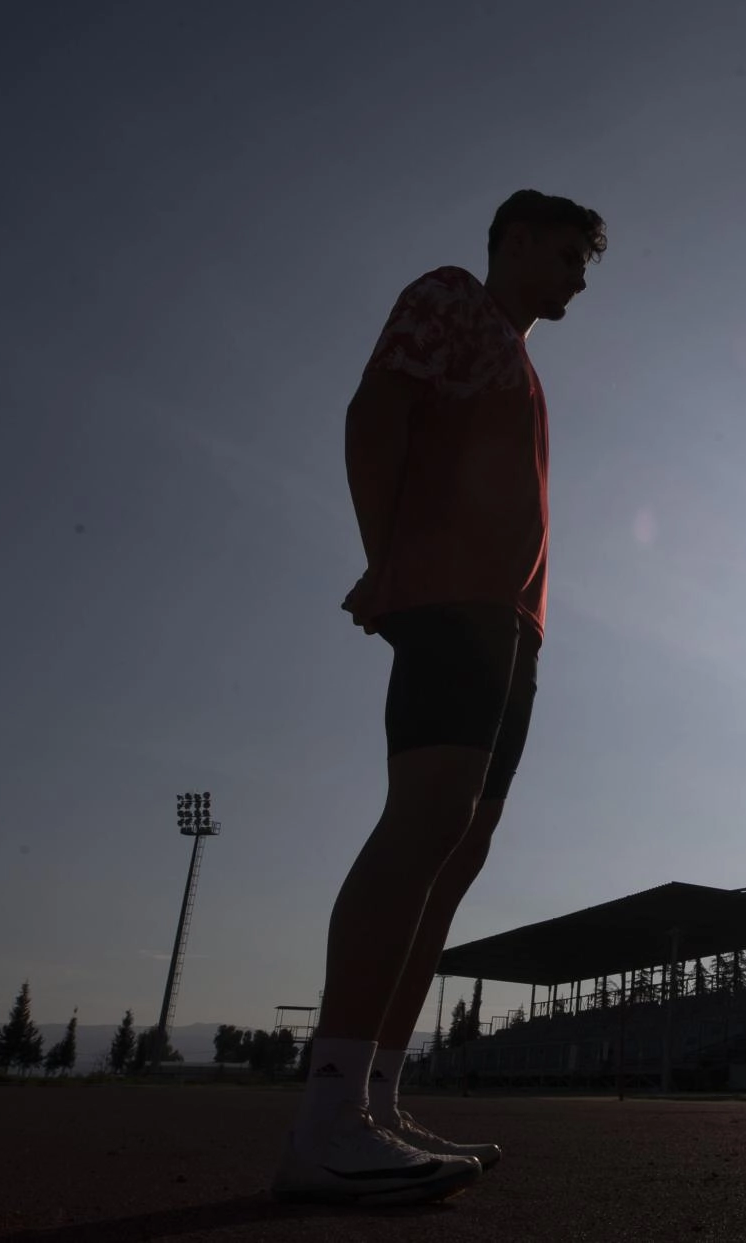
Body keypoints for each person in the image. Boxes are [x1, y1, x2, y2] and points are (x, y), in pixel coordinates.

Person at [273, 190, 605, 1205]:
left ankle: (376, 1097)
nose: (578, 278)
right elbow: (374, 411)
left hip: (513, 617)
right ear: (513, 238)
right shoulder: (452, 296)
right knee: (422, 824)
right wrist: (386, 556)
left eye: (585, 264)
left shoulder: (523, 362)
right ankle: (329, 1113)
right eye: (565, 254)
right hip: (452, 593)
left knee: (459, 850)